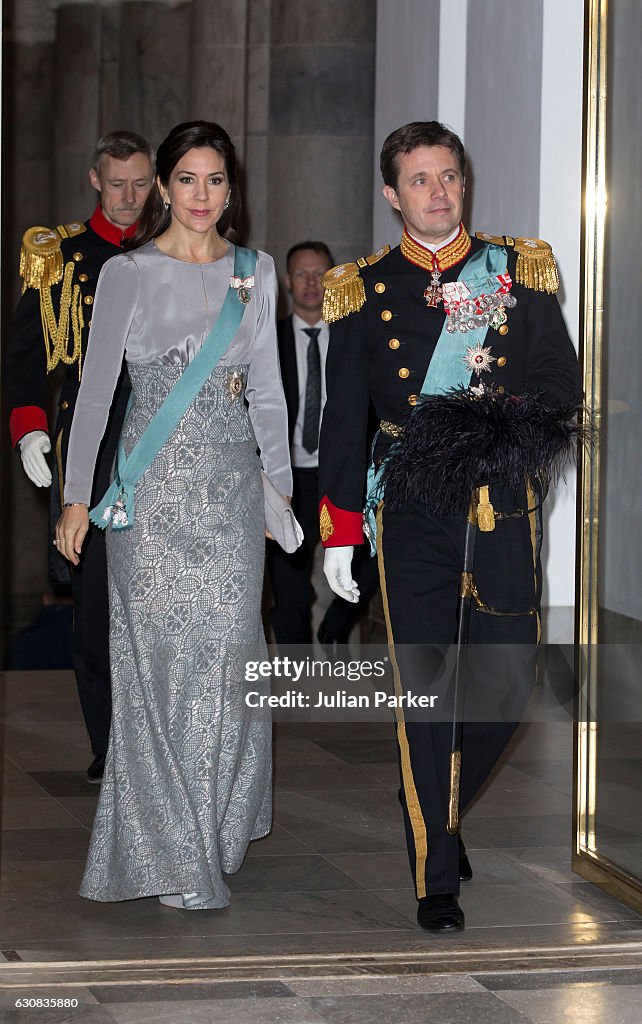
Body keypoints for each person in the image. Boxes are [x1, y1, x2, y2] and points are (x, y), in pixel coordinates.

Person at [318, 121, 582, 933]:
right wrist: (338, 528)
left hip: (499, 497)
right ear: (393, 194)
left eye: (449, 177)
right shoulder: (360, 289)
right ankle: (436, 872)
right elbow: (344, 419)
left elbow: (557, 386)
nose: (438, 192)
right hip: (411, 505)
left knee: (508, 677)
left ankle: (434, 792)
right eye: (420, 179)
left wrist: (495, 431)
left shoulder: (520, 271)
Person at [55, 120, 293, 909]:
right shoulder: (128, 272)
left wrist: (279, 492)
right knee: (156, 671)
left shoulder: (254, 275)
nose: (201, 195)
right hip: (149, 497)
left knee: (228, 665)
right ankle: (173, 851)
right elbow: (94, 394)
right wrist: (77, 496)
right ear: (162, 186)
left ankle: (212, 826)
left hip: (228, 496)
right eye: (186, 179)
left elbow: (267, 392)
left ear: (233, 189)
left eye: (215, 180)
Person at [5, 130, 155, 783]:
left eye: (140, 182)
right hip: (88, 445)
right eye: (116, 182)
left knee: (153, 601)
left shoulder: (174, 252)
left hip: (161, 439)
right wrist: (30, 430)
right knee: (94, 604)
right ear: (95, 179)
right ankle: (109, 742)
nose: (128, 197)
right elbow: (22, 357)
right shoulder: (61, 254)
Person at [267, 241, 380, 651]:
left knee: (366, 564)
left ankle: (336, 625)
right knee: (289, 586)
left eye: (321, 274)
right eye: (302, 274)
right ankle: (297, 669)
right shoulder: (268, 341)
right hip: (288, 481)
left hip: (344, 474)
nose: (312, 283)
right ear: (287, 282)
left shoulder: (357, 336)